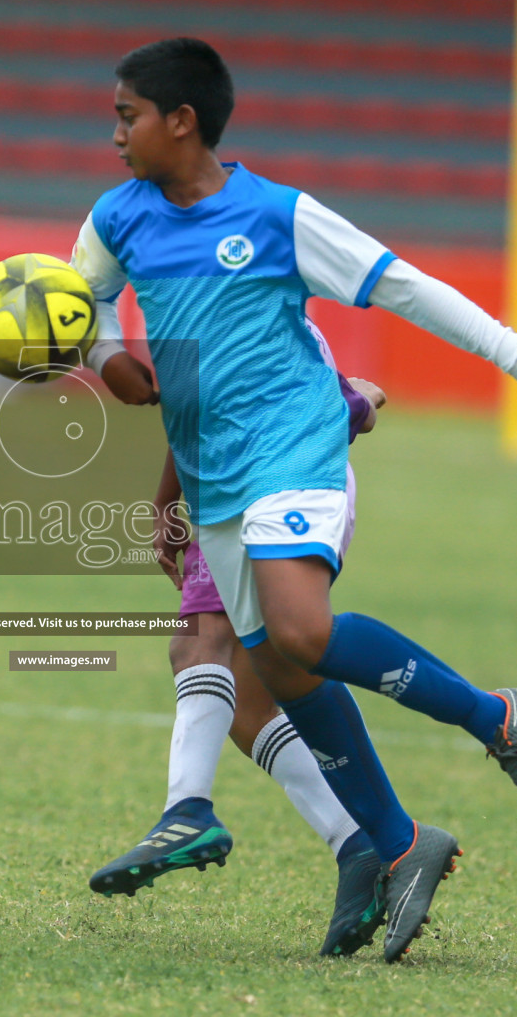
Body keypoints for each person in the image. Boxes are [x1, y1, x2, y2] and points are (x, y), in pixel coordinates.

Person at [73, 38, 517, 962]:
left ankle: (496, 719)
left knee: (299, 634)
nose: (115, 135)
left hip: (299, 442)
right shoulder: (118, 219)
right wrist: (107, 359)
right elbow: (88, 307)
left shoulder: (277, 215)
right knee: (279, 669)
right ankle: (398, 841)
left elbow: (403, 287)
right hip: (212, 469)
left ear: (180, 122)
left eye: (127, 116)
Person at [90, 366, 390, 958]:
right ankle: (361, 844)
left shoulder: (253, 315)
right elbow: (190, 406)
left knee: (201, 641)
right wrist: (164, 499)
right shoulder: (191, 311)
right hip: (231, 483)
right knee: (250, 704)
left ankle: (186, 810)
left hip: (280, 488)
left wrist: (354, 396)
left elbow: (354, 402)